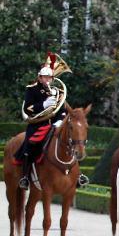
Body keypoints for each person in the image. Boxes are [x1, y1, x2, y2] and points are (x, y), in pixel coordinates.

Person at [18, 52, 86, 188]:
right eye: (45, 77)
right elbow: (27, 108)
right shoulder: (31, 90)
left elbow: (63, 109)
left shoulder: (57, 92)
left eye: (50, 77)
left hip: (55, 125)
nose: (47, 80)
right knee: (29, 146)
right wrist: (42, 105)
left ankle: (78, 176)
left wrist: (60, 120)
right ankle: (25, 176)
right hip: (38, 124)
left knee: (71, 143)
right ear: (40, 77)